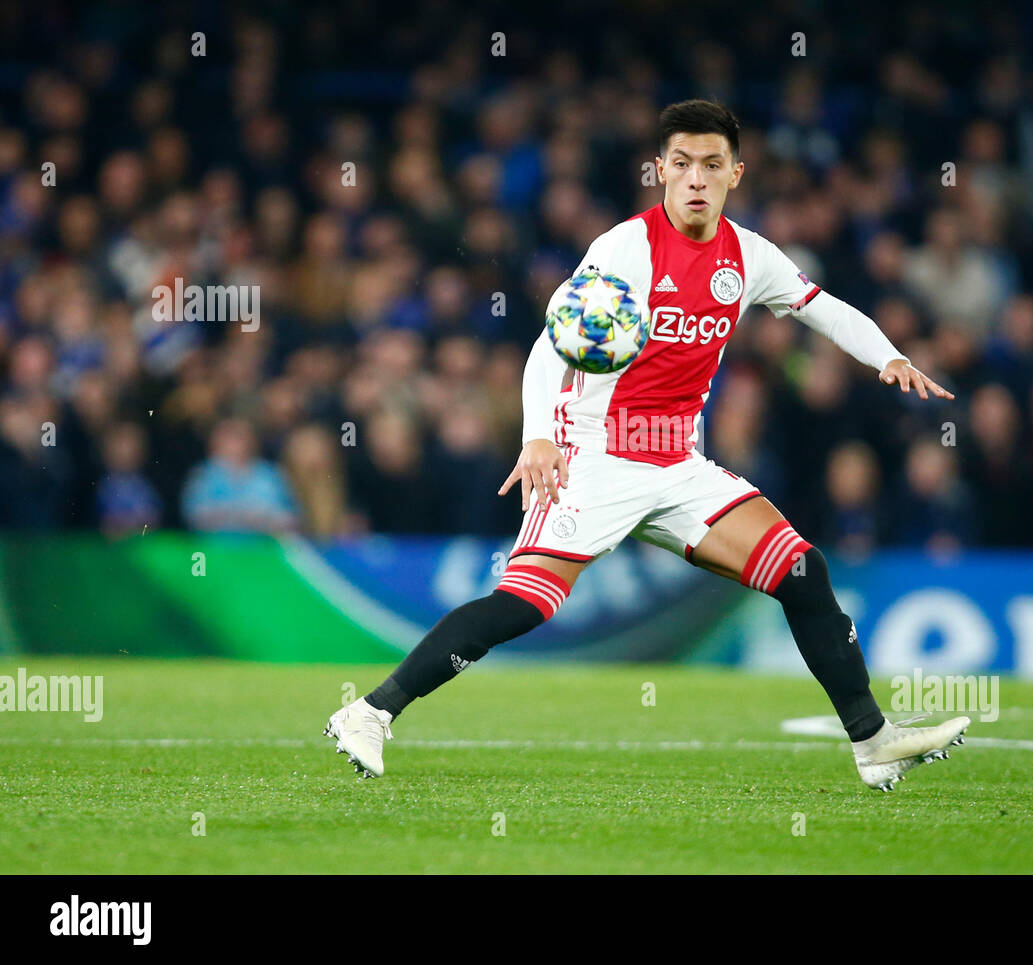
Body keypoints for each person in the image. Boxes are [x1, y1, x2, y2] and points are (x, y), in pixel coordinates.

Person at [326, 101, 968, 792]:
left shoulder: (749, 257)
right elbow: (551, 344)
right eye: (683, 164)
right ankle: (369, 711)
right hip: (593, 456)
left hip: (678, 463)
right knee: (525, 604)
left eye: (712, 165)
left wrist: (889, 356)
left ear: (735, 173)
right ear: (661, 169)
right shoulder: (624, 249)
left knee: (802, 571)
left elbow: (824, 308)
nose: (696, 178)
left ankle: (873, 742)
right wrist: (538, 433)